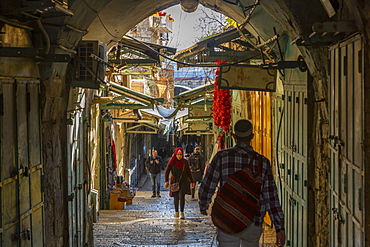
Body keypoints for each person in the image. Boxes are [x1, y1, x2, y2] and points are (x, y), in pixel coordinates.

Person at [198, 119, 285, 247]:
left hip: (227, 218)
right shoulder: (262, 162)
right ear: (252, 137)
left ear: (234, 136)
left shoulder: (222, 157)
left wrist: (203, 204)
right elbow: (270, 197)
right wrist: (279, 226)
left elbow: (208, 184)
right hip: (253, 220)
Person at [164, 147, 195, 219]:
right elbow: (167, 171)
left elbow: (189, 172)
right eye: (178, 154)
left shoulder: (185, 162)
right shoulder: (172, 162)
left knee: (182, 196)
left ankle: (182, 212)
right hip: (174, 181)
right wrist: (166, 181)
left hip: (183, 181)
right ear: (175, 154)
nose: (179, 156)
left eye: (180, 154)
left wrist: (192, 181)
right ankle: (176, 212)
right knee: (176, 197)